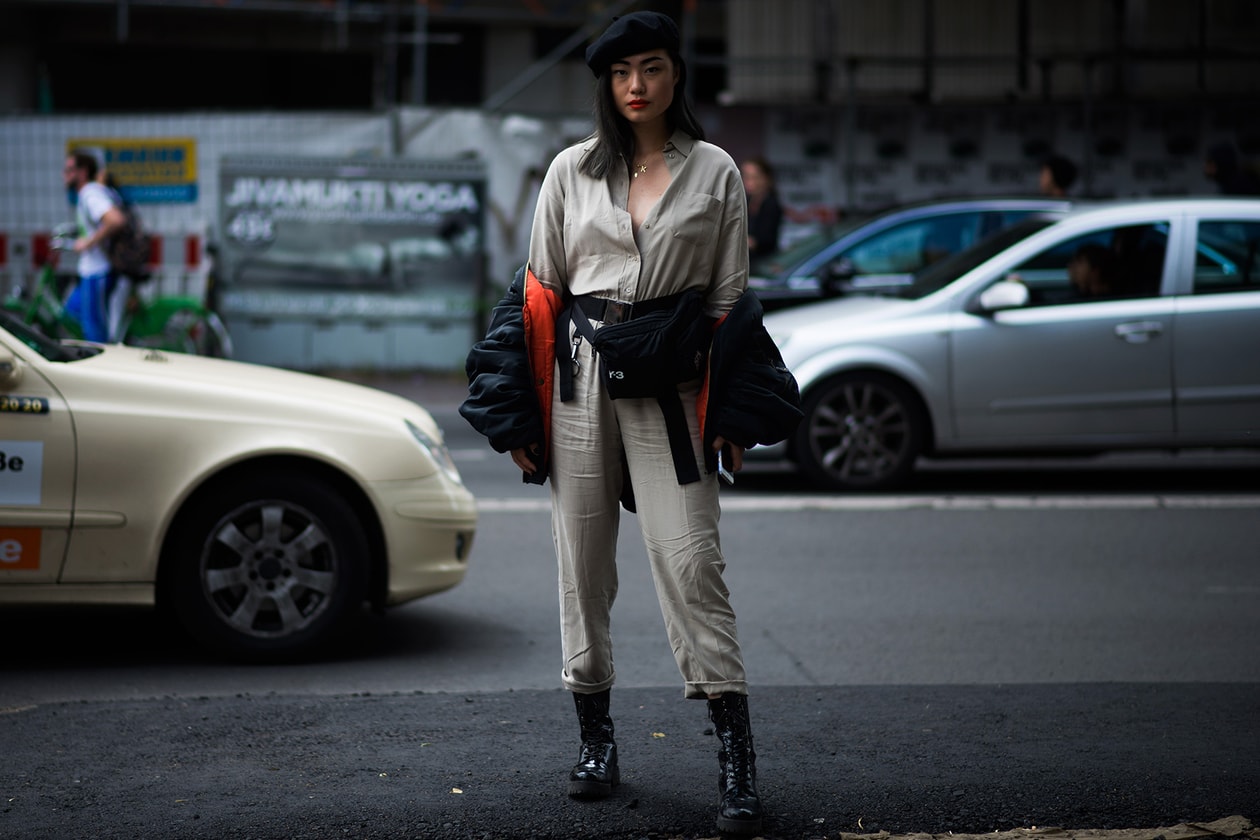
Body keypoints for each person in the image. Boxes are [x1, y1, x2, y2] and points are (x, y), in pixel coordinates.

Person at [459, 11, 800, 837]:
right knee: (582, 566)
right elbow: (537, 292)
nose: (637, 85)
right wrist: (513, 413)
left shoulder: (715, 171)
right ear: (606, 86)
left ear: (676, 75)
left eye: (652, 68)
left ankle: (735, 759)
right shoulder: (570, 172)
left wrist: (731, 416)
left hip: (672, 389)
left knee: (692, 563)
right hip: (575, 384)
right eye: (621, 73)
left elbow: (727, 301)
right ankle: (596, 742)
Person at [62, 151, 126, 342]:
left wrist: (87, 243)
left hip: (98, 271)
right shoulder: (89, 194)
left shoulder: (91, 194)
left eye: (69, 170)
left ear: (82, 172)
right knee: (71, 312)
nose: (64, 174)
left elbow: (115, 220)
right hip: (90, 271)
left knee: (95, 332)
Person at [741, 156, 783, 260]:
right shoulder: (745, 201)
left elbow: (766, 241)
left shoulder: (771, 205)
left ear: (766, 178)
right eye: (746, 177)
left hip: (764, 263)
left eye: (755, 177)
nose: (749, 182)